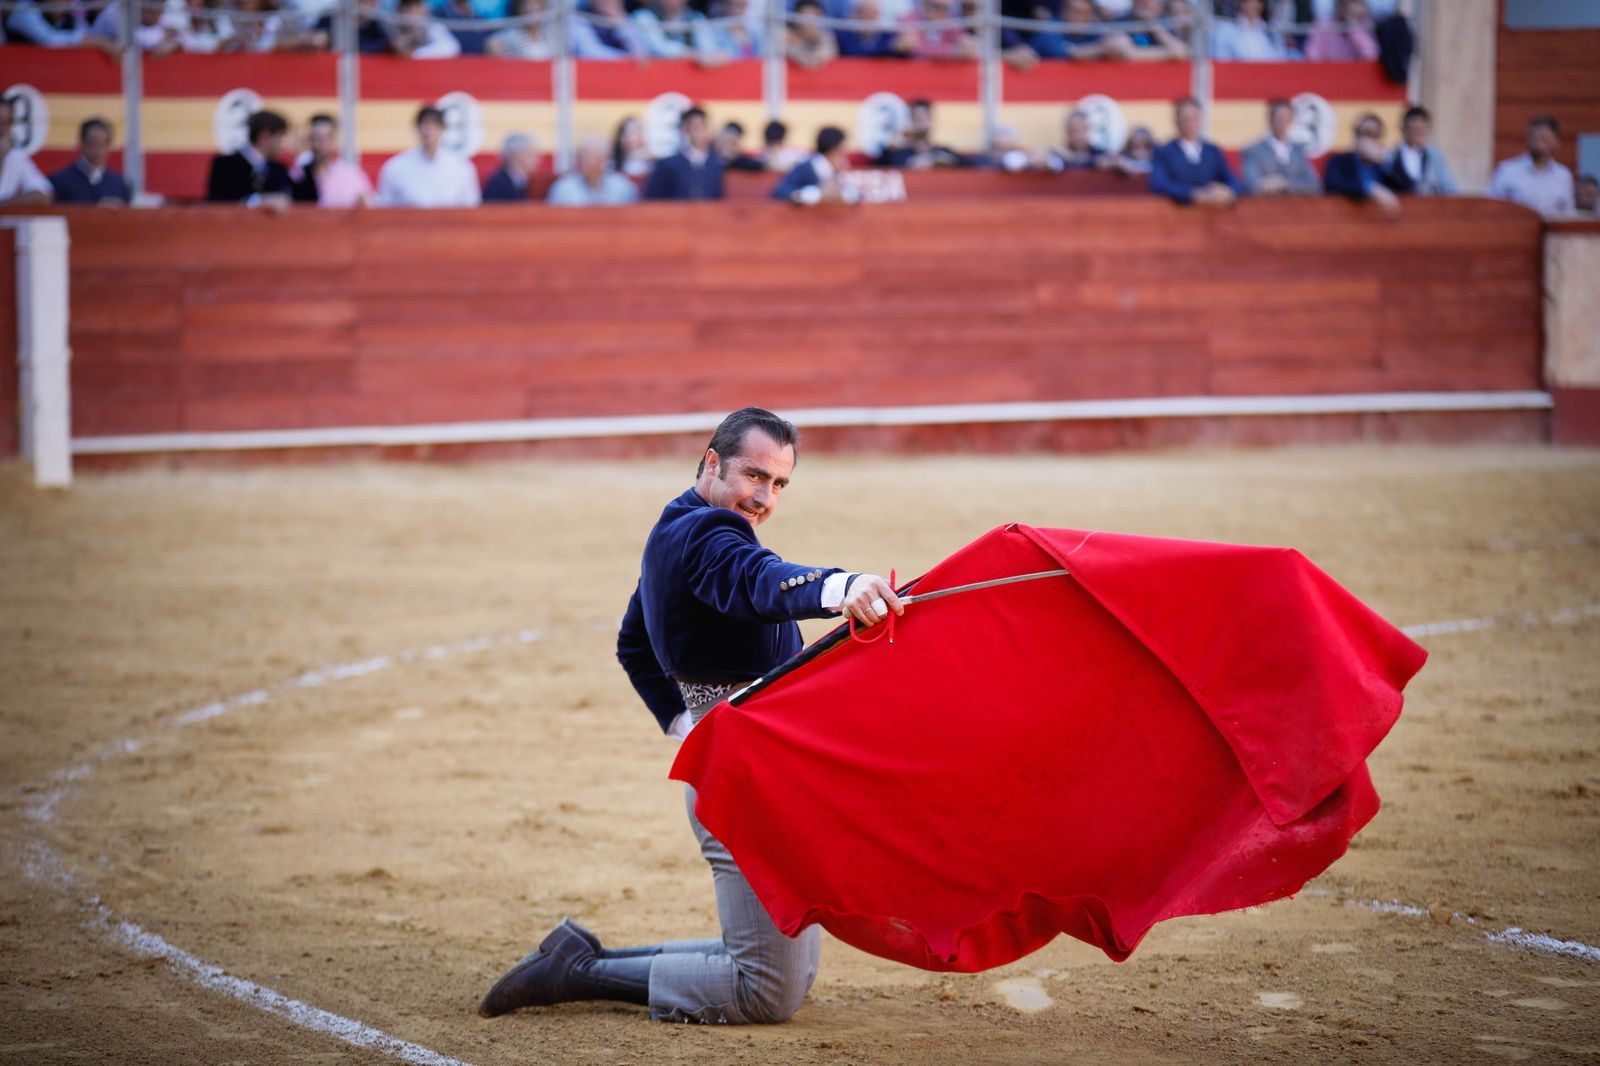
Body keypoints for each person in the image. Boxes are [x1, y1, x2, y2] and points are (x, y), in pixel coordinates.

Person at [477, 407, 903, 1025]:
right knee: (766, 994)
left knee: (789, 972)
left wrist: (688, 723)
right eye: (753, 476)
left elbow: (633, 641)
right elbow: (756, 580)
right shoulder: (707, 536)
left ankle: (582, 959)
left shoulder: (676, 527)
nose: (763, 497)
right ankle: (578, 975)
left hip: (750, 758)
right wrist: (837, 587)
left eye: (779, 484)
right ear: (712, 462)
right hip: (741, 772)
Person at [377, 105, 482, 207]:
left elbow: (471, 208)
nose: (430, 130)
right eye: (425, 124)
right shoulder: (395, 167)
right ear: (417, 128)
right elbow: (385, 208)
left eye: (435, 124)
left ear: (443, 129)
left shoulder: (461, 168)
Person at [1149, 96, 1241, 206]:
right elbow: (1159, 183)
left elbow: (1233, 181)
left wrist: (1226, 191)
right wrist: (1193, 194)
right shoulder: (1164, 152)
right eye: (1186, 119)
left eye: (1194, 118)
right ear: (1176, 120)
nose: (1190, 123)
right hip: (1179, 214)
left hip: (1214, 215)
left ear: (1200, 120)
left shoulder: (1212, 151)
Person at [1487, 115, 1576, 218]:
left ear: (1556, 142)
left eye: (1544, 138)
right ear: (1528, 139)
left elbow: (1568, 213)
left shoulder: (1563, 175)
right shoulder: (1507, 170)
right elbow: (1491, 207)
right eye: (1534, 137)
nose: (1539, 143)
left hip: (1550, 232)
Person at [206, 110, 294, 204]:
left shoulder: (279, 169)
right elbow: (218, 201)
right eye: (280, 137)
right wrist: (257, 201)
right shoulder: (225, 164)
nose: (283, 145)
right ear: (265, 136)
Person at [1323, 112, 1401, 214]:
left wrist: (1384, 163)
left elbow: (1405, 186)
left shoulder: (1385, 165)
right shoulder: (1338, 161)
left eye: (1374, 135)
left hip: (1381, 222)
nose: (1368, 139)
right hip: (1347, 219)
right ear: (1355, 136)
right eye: (1365, 133)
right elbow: (1331, 184)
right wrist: (1370, 187)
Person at [289, 113, 373, 207]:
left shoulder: (350, 174)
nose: (318, 145)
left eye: (324, 139)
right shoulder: (299, 174)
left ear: (334, 140)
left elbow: (368, 204)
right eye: (314, 139)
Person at [1239, 98, 1319, 196]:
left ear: (1291, 120)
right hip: (1264, 207)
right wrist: (1266, 185)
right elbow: (1252, 185)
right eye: (1278, 117)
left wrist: (1285, 183)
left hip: (1297, 208)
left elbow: (1314, 185)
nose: (1282, 121)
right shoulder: (1253, 150)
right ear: (1270, 119)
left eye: (1285, 117)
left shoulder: (1299, 151)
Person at [644, 107, 724, 201]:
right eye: (696, 128)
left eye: (704, 127)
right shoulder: (668, 164)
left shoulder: (716, 162)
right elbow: (653, 199)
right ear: (685, 130)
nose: (702, 133)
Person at [49, 118, 132, 205]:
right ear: (81, 143)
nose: (96, 151)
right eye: (91, 144)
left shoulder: (118, 184)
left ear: (108, 147)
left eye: (101, 145)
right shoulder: (60, 181)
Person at [771, 126, 860, 205]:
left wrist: (841, 193)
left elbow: (856, 195)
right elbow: (779, 193)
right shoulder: (807, 168)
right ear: (833, 150)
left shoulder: (834, 171)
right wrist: (819, 194)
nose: (844, 158)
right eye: (842, 151)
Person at [547, 135, 640, 206]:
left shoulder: (623, 188)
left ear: (606, 159)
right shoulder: (563, 189)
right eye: (583, 155)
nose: (585, 160)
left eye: (592, 155)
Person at [1385, 106, 1456, 197]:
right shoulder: (1391, 155)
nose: (1418, 135)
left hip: (1430, 208)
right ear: (1404, 129)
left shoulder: (1435, 157)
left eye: (1421, 131)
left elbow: (1450, 189)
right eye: (1414, 130)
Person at [875, 99, 966, 169]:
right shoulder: (900, 154)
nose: (920, 124)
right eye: (916, 119)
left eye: (923, 118)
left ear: (932, 121)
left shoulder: (943, 152)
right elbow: (875, 168)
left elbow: (973, 166)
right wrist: (890, 149)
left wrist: (948, 161)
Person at [0, 96, 53, 207]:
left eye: (7, 123)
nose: (2, 130)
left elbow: (44, 195)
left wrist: (4, 206)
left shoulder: (14, 155)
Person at [893, 0, 976, 60]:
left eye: (946, 8)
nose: (941, 12)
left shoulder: (950, 22)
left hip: (944, 77)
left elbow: (966, 46)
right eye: (936, 6)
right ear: (924, 4)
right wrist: (952, 51)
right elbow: (913, 48)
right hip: (913, 76)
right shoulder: (909, 20)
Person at [1210, 0, 1286, 61]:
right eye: (1247, 1)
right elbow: (1222, 61)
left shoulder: (1272, 30)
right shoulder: (1225, 30)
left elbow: (1280, 59)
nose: (1253, 4)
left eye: (1259, 0)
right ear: (1240, 2)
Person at [1304, 0, 1376, 62]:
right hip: (1329, 73)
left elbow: (1371, 55)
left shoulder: (1367, 25)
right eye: (1343, 2)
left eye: (1353, 2)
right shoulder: (1323, 25)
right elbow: (1312, 56)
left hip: (1357, 74)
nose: (1348, 7)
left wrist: (1353, 26)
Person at [385, 0, 461, 57]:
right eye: (407, 7)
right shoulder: (393, 26)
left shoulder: (432, 25)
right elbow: (397, 48)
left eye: (416, 6)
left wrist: (416, 54)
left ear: (423, 8)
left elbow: (451, 48)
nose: (411, 11)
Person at [482, 132, 541, 201]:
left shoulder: (521, 182)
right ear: (516, 155)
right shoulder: (498, 184)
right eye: (531, 154)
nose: (537, 160)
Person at [1044, 109, 1109, 171]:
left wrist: (1072, 158)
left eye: (1083, 129)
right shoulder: (1058, 154)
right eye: (1075, 130)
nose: (1079, 135)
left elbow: (1103, 161)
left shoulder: (1101, 153)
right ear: (1068, 131)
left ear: (1088, 129)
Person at [485, 0, 554, 57]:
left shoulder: (551, 34)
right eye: (527, 5)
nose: (530, 8)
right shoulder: (513, 34)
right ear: (521, 9)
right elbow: (492, 43)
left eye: (535, 4)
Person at [786, 0, 837, 68]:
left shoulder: (825, 35)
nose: (810, 20)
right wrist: (800, 54)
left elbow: (829, 51)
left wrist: (818, 56)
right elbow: (783, 48)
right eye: (806, 15)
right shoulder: (785, 33)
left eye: (815, 15)